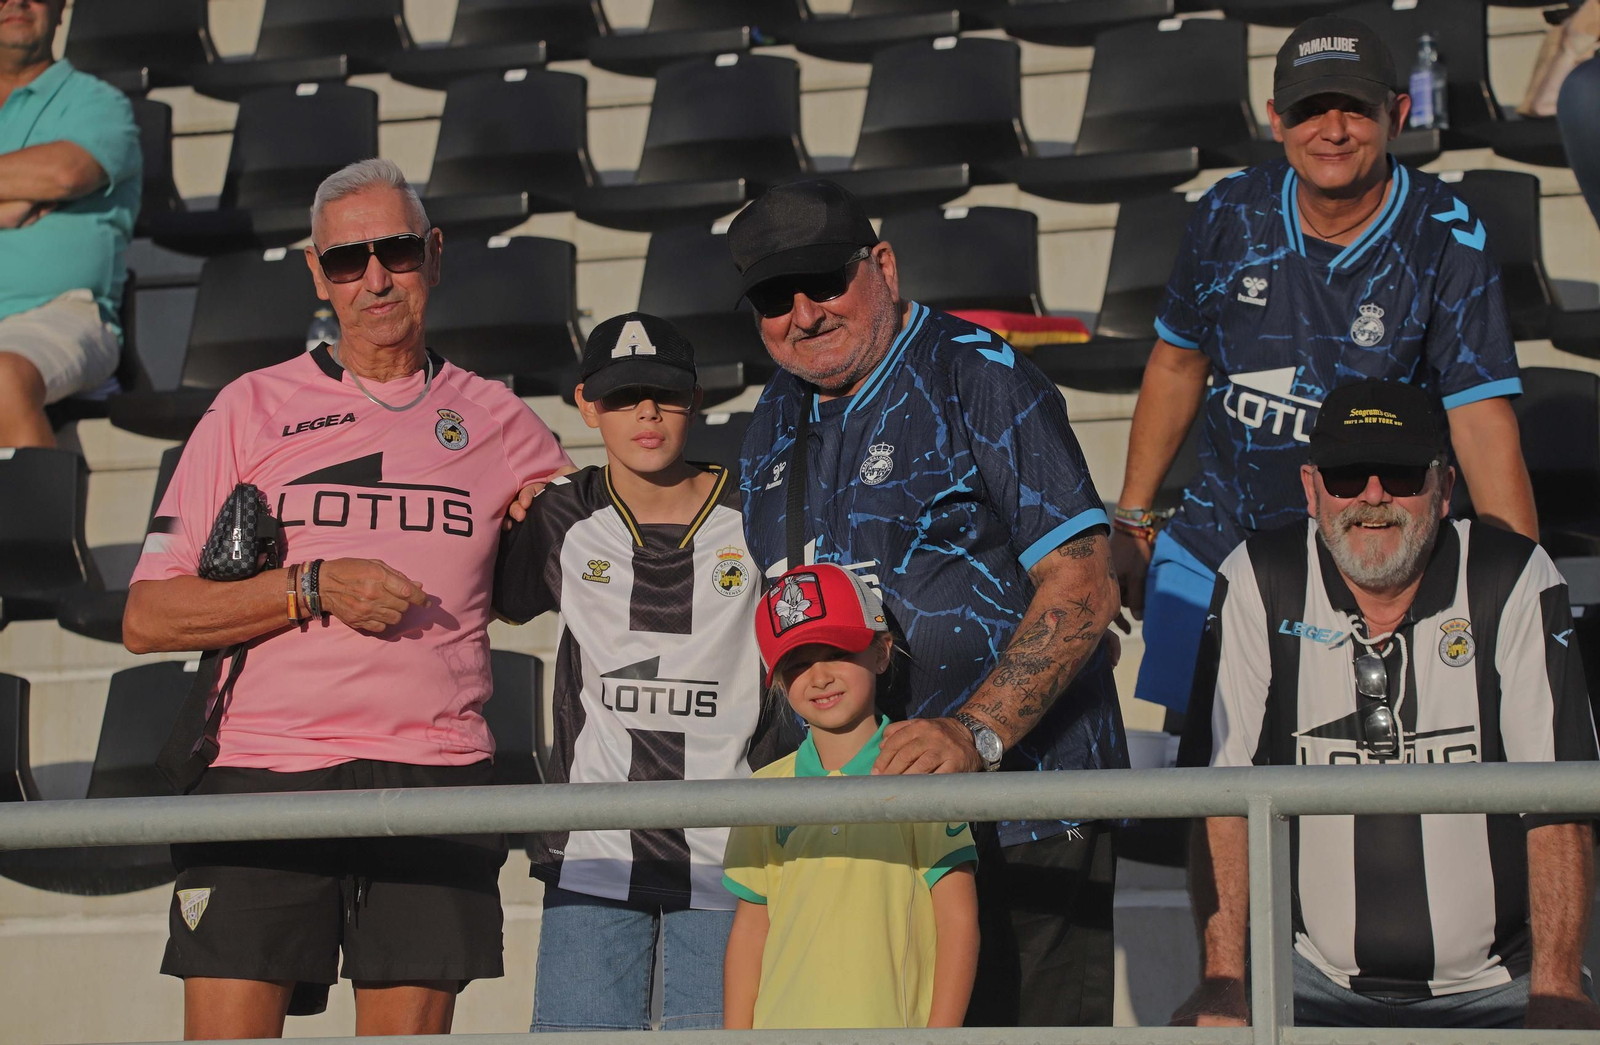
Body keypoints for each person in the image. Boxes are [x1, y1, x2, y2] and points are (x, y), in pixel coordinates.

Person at [122, 158, 571, 1040]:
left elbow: (597, 548)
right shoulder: (248, 408)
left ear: (434, 256)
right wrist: (311, 587)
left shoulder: (503, 420)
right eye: (347, 259)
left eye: (397, 251)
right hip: (263, 773)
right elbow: (146, 617)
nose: (374, 278)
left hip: (435, 775)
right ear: (315, 271)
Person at [729, 178, 1125, 1028]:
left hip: (1018, 810)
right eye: (773, 296)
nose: (803, 313)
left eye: (826, 281)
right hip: (866, 836)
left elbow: (1085, 580)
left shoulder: (978, 374)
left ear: (883, 266)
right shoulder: (769, 415)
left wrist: (974, 733)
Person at [1115, 15, 1538, 721]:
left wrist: (1520, 587)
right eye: (1311, 109)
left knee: (1351, 786)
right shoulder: (1225, 212)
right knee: (1195, 777)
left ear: (1398, 115)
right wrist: (1131, 518)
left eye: (1355, 108)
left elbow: (1481, 420)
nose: (1333, 130)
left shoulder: (1447, 235)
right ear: (1276, 119)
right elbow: (1177, 363)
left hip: (1368, 559)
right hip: (1218, 539)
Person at [1175, 379, 1600, 1030]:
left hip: (1502, 988)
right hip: (1306, 980)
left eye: (1400, 475)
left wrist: (1555, 988)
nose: (1374, 496)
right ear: (1312, 488)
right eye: (1348, 476)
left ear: (1445, 488)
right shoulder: (1259, 579)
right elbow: (1220, 797)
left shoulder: (1514, 578)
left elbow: (1559, 804)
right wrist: (1225, 983)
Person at [494, 312, 790, 1033]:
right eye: (624, 396)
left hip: (732, 850)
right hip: (594, 847)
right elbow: (488, 597)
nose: (647, 412)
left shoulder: (757, 510)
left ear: (697, 398)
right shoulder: (559, 515)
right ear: (587, 403)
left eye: (664, 393)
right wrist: (506, 508)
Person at [722, 563, 980, 1029]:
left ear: (881, 653)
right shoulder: (761, 791)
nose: (818, 677)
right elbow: (750, 931)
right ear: (779, 681)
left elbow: (958, 920)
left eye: (836, 652)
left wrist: (942, 1040)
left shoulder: (921, 773)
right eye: (797, 663)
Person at [0, 0, 140, 448]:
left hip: (61, 314)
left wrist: (44, 183)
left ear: (62, 8)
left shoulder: (98, 103)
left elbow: (66, 174)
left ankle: (35, 522)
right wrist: (16, 195)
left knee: (1, 379)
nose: (16, 2)